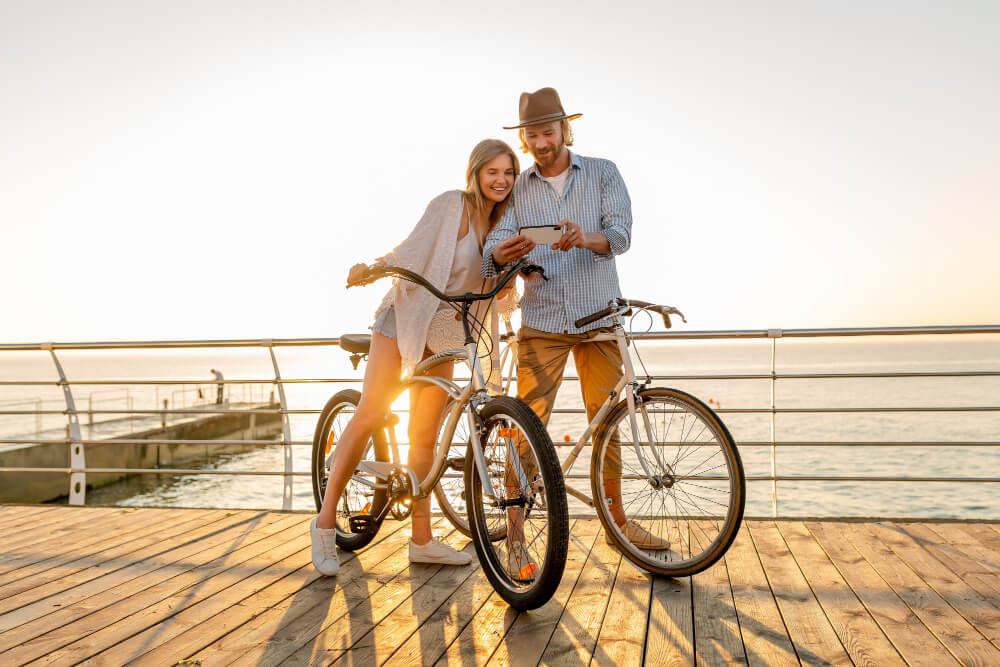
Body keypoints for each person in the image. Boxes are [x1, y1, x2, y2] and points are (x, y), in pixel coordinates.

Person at [311, 139, 520, 576]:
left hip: (447, 330)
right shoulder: (451, 205)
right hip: (407, 315)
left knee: (423, 435)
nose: (500, 181)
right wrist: (373, 267)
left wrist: (507, 281)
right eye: (492, 172)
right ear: (476, 173)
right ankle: (325, 523)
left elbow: (495, 287)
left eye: (508, 173)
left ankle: (421, 541)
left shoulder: (504, 222)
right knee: (371, 411)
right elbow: (413, 248)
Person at [483, 87, 669, 550]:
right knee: (525, 423)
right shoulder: (518, 187)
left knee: (607, 424)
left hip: (599, 317)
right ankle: (517, 533)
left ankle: (616, 525)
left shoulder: (604, 173)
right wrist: (506, 254)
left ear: (565, 128)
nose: (541, 143)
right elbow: (495, 243)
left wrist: (584, 238)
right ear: (523, 138)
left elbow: (620, 235)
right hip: (542, 319)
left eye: (547, 131)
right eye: (531, 135)